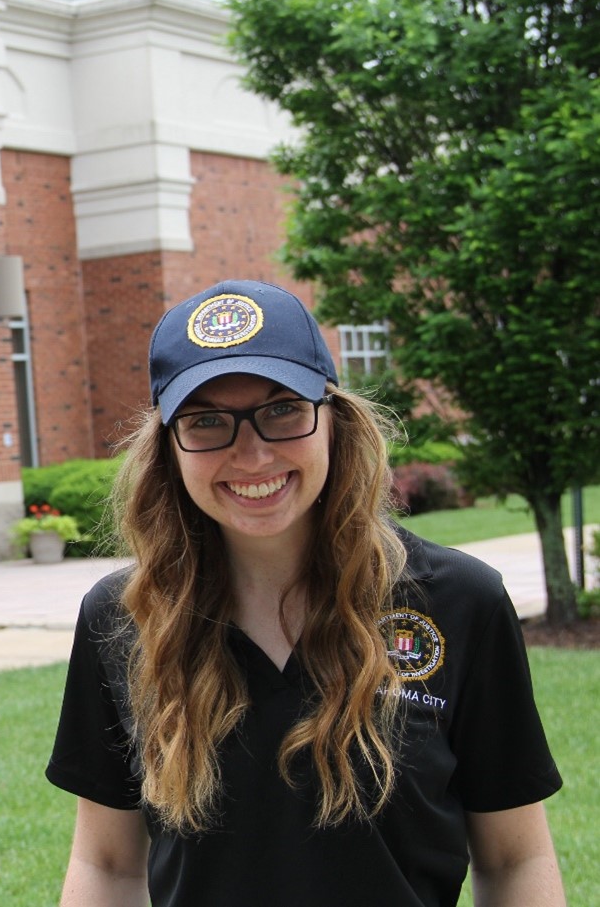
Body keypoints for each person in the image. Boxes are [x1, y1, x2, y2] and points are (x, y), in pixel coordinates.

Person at [46, 280, 565, 906]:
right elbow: (106, 863)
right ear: (168, 447)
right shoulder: (125, 619)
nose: (253, 453)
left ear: (333, 419)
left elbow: (515, 858)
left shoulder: (459, 602)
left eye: (282, 409)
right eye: (207, 421)